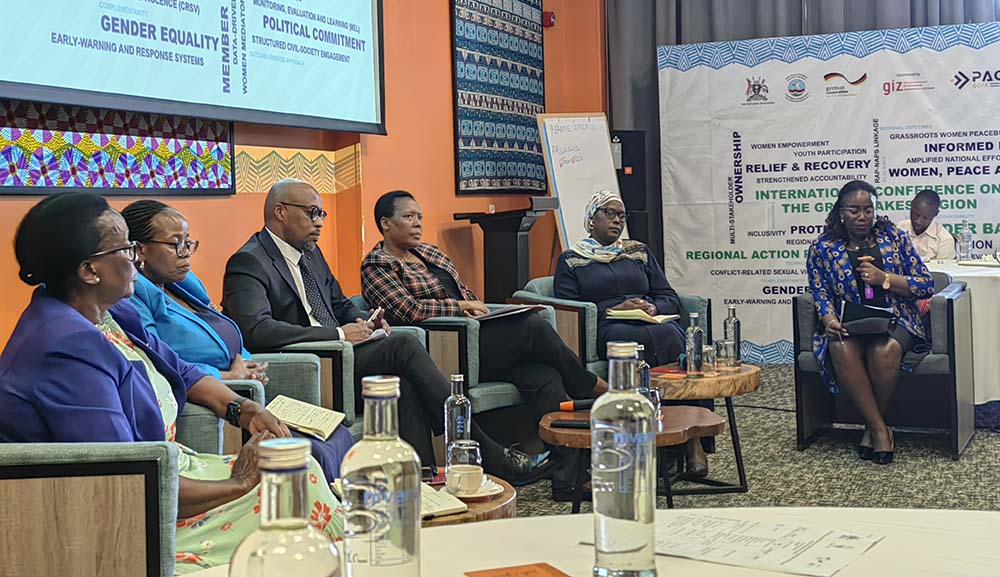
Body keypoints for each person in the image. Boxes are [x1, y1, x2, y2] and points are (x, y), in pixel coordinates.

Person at [0, 193, 342, 575]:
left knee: (298, 469)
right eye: (126, 248)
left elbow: (182, 370)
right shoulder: (67, 348)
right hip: (118, 523)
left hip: (170, 475)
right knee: (295, 494)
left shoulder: (109, 313)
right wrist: (241, 483)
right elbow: (125, 479)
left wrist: (244, 410)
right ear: (89, 270)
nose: (136, 258)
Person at [221, 179, 546, 483]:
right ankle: (486, 454)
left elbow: (340, 303)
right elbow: (257, 330)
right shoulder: (249, 261)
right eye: (312, 213)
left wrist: (367, 320)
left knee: (401, 382)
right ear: (280, 212)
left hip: (344, 355)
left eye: (322, 214)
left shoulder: (311, 254)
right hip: (315, 364)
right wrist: (338, 336)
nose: (319, 222)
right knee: (402, 346)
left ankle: (421, 478)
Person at [361, 190, 607, 498]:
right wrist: (459, 308)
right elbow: (407, 311)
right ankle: (588, 385)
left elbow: (468, 296)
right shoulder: (377, 265)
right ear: (385, 223)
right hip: (446, 348)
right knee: (533, 326)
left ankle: (567, 478)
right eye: (408, 216)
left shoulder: (430, 253)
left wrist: (478, 309)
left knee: (546, 376)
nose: (418, 223)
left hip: (478, 338)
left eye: (420, 216)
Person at [121, 199, 355, 481]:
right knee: (311, 450)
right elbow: (156, 362)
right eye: (176, 244)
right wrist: (226, 376)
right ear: (139, 250)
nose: (186, 253)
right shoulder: (134, 295)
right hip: (219, 396)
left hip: (246, 390)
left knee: (336, 432)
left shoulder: (182, 286)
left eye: (188, 242)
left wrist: (246, 362)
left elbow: (225, 331)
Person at [553, 189, 712, 476]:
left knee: (674, 338)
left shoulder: (637, 252)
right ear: (592, 219)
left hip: (651, 321)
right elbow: (571, 308)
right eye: (610, 213)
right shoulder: (571, 260)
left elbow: (668, 295)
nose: (617, 220)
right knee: (634, 343)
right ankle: (645, 442)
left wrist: (652, 306)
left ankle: (692, 438)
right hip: (609, 326)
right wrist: (614, 307)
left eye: (622, 216)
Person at [807, 180, 934, 465]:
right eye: (854, 210)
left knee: (884, 352)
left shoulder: (895, 237)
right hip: (849, 322)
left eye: (868, 210)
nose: (862, 216)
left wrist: (885, 279)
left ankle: (872, 429)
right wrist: (828, 318)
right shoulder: (823, 247)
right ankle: (879, 428)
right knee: (839, 347)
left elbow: (926, 284)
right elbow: (820, 291)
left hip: (896, 318)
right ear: (841, 212)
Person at [897, 189, 955, 262]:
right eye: (916, 214)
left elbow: (944, 268)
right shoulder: (901, 227)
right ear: (911, 205)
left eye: (925, 218)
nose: (918, 221)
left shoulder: (945, 239)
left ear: (935, 214)